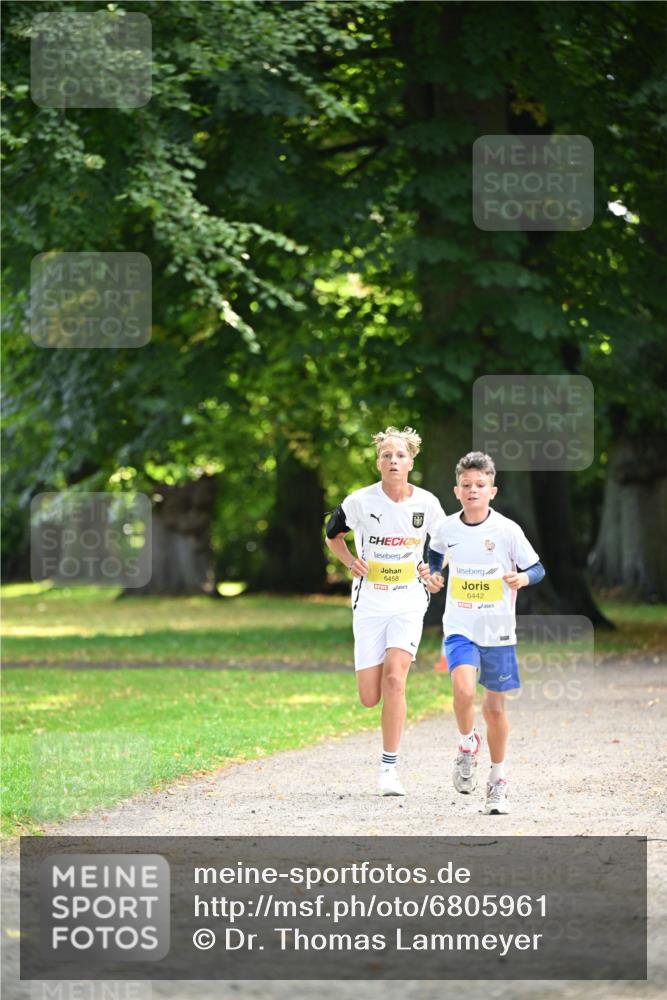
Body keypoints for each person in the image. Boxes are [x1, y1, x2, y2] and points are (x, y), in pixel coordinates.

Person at [325, 426, 446, 796]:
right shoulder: (359, 501)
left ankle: (389, 769)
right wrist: (350, 562)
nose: (393, 461)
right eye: (386, 456)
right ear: (378, 462)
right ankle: (384, 745)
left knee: (396, 679)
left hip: (409, 600)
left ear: (411, 461)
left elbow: (442, 543)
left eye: (400, 455)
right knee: (369, 696)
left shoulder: (426, 503)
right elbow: (333, 534)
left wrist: (434, 571)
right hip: (370, 604)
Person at [426, 451, 545, 815]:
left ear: (492, 490)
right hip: (460, 625)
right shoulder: (446, 527)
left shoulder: (507, 530)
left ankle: (497, 780)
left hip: (498, 629)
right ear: (456, 491)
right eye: (466, 485)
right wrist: (433, 574)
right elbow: (434, 553)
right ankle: (466, 745)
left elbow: (537, 567)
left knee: (494, 709)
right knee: (462, 691)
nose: (473, 490)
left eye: (480, 485)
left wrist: (522, 578)